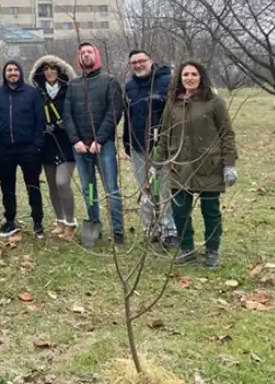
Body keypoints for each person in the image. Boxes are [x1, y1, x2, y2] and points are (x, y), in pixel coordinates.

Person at [155, 61, 238, 268]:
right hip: (179, 166)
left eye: (193, 74)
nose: (189, 78)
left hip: (208, 165)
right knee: (180, 212)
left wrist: (229, 164)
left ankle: (212, 251)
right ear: (180, 79)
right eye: (185, 75)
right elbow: (164, 135)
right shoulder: (173, 103)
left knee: (210, 211)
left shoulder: (214, 103)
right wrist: (156, 163)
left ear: (201, 77)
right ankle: (187, 249)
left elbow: (227, 134)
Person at [63, 42, 124, 246]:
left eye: (89, 52)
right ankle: (93, 223)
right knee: (89, 189)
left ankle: (118, 231)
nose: (86, 55)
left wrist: (100, 139)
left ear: (96, 56)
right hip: (81, 148)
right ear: (78, 58)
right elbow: (68, 115)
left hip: (103, 146)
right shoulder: (73, 85)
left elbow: (115, 111)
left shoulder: (109, 81)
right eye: (82, 53)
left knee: (111, 189)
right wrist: (76, 141)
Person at [123, 50, 177, 246]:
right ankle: (150, 228)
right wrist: (127, 142)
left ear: (151, 61)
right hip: (139, 147)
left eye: (141, 61)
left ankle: (169, 230)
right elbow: (128, 117)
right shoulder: (129, 86)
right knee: (146, 189)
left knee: (162, 188)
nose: (138, 65)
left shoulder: (167, 81)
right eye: (134, 63)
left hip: (161, 147)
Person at [0, 60, 46, 239]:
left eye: (15, 70)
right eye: (9, 70)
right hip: (4, 150)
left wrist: (37, 144)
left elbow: (40, 120)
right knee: (7, 187)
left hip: (28, 149)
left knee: (33, 186)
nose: (12, 73)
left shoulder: (32, 93)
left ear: (20, 72)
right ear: (5, 74)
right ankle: (10, 220)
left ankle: (37, 221)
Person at [29, 55, 78, 239]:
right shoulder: (37, 93)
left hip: (66, 142)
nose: (49, 72)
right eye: (45, 69)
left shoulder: (69, 89)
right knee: (52, 185)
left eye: (52, 68)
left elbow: (76, 111)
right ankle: (60, 220)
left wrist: (67, 124)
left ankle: (71, 222)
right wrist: (43, 127)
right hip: (46, 143)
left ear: (59, 71)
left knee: (62, 182)